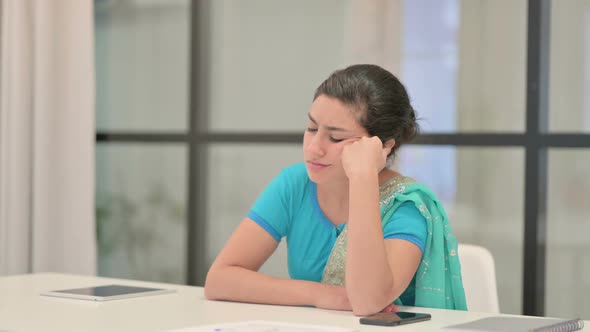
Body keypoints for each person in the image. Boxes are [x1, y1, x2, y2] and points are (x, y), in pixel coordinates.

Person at [204, 64, 467, 316]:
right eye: (311, 128)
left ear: (383, 146)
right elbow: (219, 279)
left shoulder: (406, 205)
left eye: (336, 137)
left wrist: (363, 176)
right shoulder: (295, 184)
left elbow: (367, 302)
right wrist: (319, 294)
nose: (314, 147)